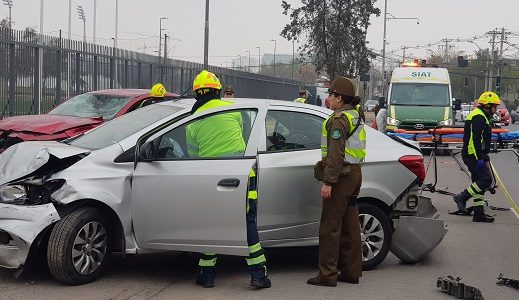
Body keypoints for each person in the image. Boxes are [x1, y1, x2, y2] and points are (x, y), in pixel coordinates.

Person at [187, 70, 271, 289]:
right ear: (218, 91)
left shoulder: (192, 121)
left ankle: (207, 275)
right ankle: (258, 276)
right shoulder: (233, 110)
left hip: (210, 177)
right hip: (241, 176)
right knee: (247, 224)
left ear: (197, 94)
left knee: (209, 225)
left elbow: (193, 156)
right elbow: (244, 140)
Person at [307, 76, 365, 287]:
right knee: (350, 225)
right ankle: (351, 272)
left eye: (330, 94)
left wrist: (328, 182)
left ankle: (327, 275)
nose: (328, 98)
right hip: (355, 174)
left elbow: (336, 154)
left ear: (339, 98)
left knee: (330, 226)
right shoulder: (355, 115)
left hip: (341, 176)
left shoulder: (339, 119)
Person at [452, 91, 500, 223]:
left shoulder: (482, 116)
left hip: (474, 154)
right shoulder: (478, 117)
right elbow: (474, 139)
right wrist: (479, 156)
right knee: (486, 180)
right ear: (487, 106)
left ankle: (478, 213)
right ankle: (461, 197)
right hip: (472, 155)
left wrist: (483, 154)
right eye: (494, 106)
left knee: (478, 182)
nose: (496, 110)